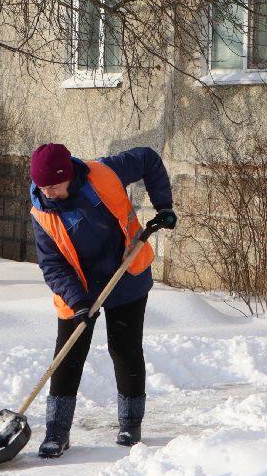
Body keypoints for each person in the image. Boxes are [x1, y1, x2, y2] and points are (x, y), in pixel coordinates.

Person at [28, 142, 176, 458]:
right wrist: (78, 302)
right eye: (42, 187)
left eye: (53, 185)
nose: (48, 193)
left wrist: (163, 206)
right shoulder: (41, 214)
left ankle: (130, 425)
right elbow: (52, 266)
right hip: (79, 288)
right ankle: (56, 432)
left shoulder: (104, 172)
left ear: (67, 175)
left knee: (124, 349)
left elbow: (148, 159)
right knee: (67, 355)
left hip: (126, 272)